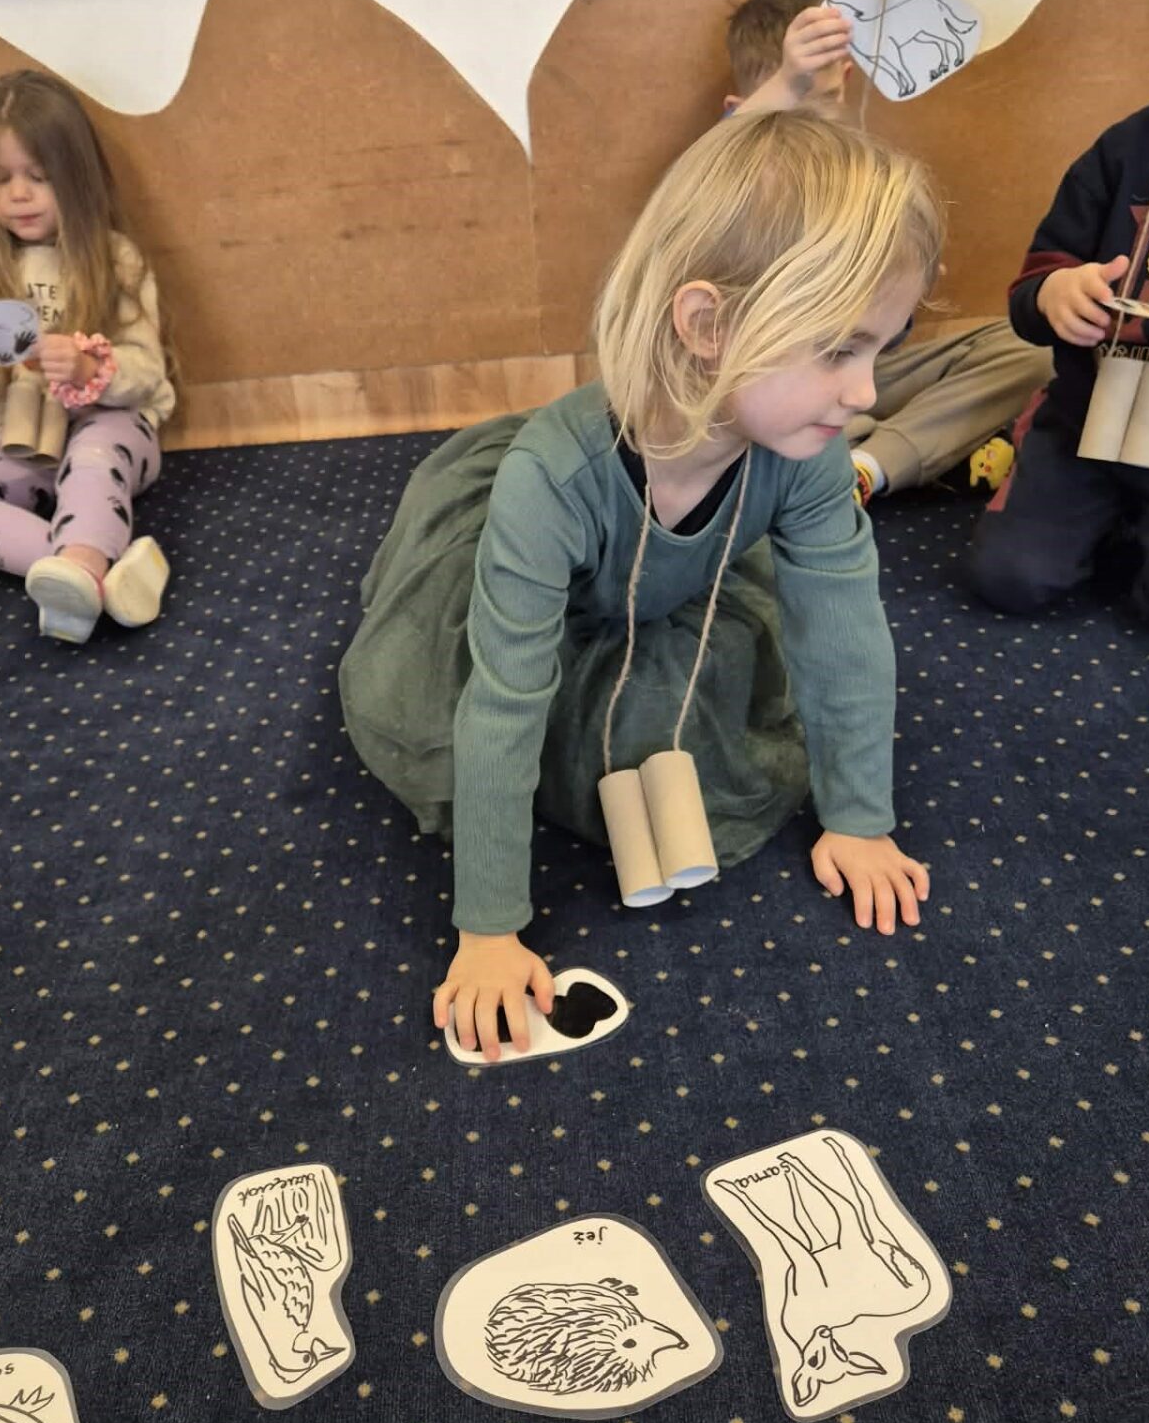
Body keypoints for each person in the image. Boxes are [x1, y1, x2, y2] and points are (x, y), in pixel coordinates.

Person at [340, 112, 943, 1060]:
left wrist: (860, 819)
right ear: (707, 325)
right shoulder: (551, 481)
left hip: (677, 575)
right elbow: (504, 697)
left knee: (707, 704)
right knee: (457, 707)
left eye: (881, 349)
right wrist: (489, 929)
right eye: (837, 350)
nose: (866, 393)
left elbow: (844, 630)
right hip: (539, 560)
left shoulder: (808, 452)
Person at [968, 0, 1149, 646]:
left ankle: (1147, 537)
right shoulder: (1126, 150)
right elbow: (1029, 291)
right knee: (1007, 578)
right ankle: (1074, 488)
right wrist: (1055, 296)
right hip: (1088, 426)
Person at [726, 0, 1052, 507]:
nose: (810, 133)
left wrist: (901, 291)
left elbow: (885, 338)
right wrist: (786, 83)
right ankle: (869, 447)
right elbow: (714, 158)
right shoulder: (732, 175)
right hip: (774, 387)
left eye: (823, 103)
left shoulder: (859, 178)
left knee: (1029, 351)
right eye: (788, 109)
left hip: (862, 373)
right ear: (744, 108)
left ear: (846, 81)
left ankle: (864, 468)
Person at [0, 70, 173, 644]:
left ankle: (80, 566)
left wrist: (89, 369)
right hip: (27, 444)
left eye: (39, 175)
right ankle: (89, 575)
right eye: (1, 178)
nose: (19, 194)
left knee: (94, 454)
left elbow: (149, 373)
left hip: (115, 431)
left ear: (76, 177)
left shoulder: (115, 259)